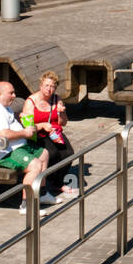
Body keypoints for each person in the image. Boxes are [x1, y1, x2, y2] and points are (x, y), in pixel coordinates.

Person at [0, 81, 56, 212]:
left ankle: (41, 194)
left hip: (16, 146)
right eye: (11, 93)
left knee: (44, 154)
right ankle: (26, 204)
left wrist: (28, 125)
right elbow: (4, 134)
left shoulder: (4, 104)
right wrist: (25, 133)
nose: (14, 96)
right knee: (35, 165)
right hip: (3, 152)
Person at [21, 71, 78, 199]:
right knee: (52, 154)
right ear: (40, 86)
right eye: (46, 85)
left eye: (52, 86)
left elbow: (63, 123)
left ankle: (57, 183)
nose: (49, 89)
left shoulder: (56, 99)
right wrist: (42, 125)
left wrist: (61, 112)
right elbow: (28, 125)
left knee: (68, 153)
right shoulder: (31, 102)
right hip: (38, 134)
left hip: (54, 132)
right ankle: (47, 182)